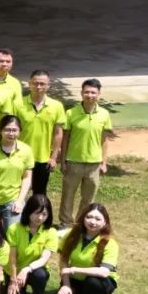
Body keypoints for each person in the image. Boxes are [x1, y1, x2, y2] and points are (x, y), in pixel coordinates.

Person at [59, 79, 113, 228]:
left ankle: (81, 223)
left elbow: (104, 140)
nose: (90, 95)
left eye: (93, 92)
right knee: (68, 195)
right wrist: (62, 161)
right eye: (87, 92)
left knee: (88, 198)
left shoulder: (104, 114)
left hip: (94, 164)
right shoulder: (71, 113)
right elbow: (65, 139)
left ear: (99, 94)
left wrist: (103, 162)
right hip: (73, 161)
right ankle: (65, 223)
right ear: (81, 93)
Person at [55, 203, 119, 294]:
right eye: (89, 217)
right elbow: (63, 259)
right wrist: (66, 285)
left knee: (92, 282)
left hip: (100, 281)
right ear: (83, 218)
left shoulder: (110, 243)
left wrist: (74, 269)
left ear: (105, 222)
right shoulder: (72, 234)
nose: (92, 222)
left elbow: (104, 272)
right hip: (76, 279)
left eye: (98, 219)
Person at [5, 194, 58, 294]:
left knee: (41, 275)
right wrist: (13, 279)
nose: (40, 218)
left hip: (33, 270)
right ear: (28, 211)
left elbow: (44, 259)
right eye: (36, 213)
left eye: (44, 214)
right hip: (14, 271)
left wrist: (26, 269)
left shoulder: (51, 232)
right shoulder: (14, 229)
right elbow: (12, 258)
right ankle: (10, 288)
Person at [17, 70, 65, 196]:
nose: (38, 87)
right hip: (20, 156)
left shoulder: (56, 106)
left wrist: (53, 157)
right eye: (35, 83)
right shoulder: (18, 104)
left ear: (48, 85)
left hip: (43, 158)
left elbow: (58, 133)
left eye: (42, 84)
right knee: (17, 192)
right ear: (29, 84)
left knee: (39, 194)